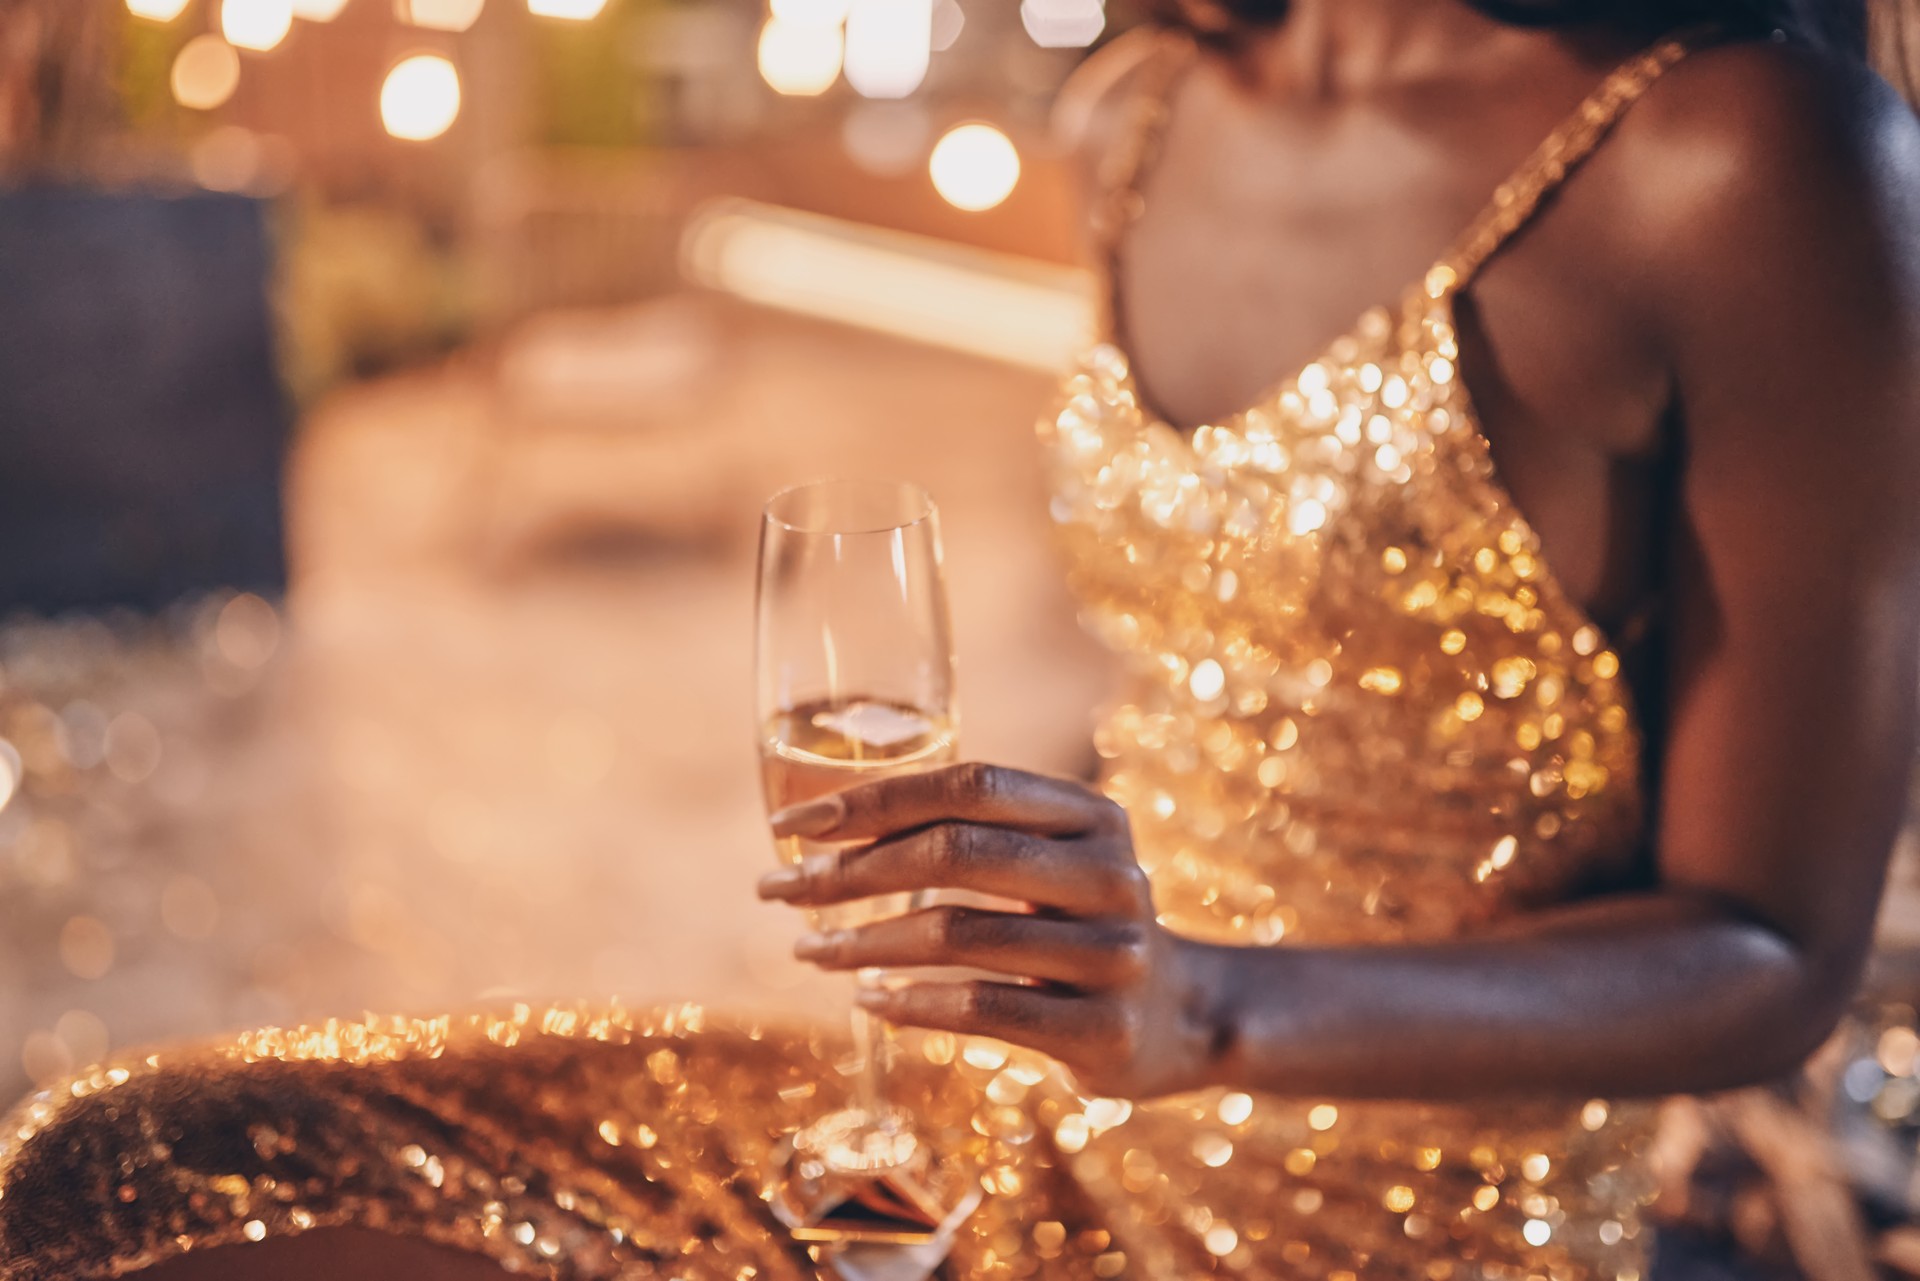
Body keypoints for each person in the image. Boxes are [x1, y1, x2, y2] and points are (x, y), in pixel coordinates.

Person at [4, 2, 1918, 1278]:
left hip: (1421, 1226)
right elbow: (1204, 698)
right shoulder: (1146, 114)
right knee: (132, 1168)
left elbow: (1774, 950)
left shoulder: (1745, 156)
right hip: (1040, 1136)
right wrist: (1030, 906)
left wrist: (1201, 1004)